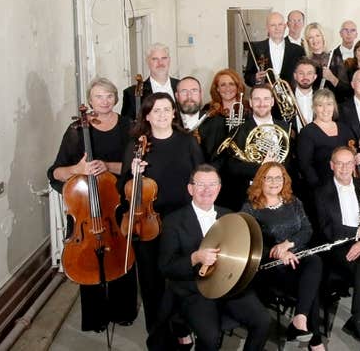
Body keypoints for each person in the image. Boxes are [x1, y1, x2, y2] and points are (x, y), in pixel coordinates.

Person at [48, 78, 138, 332]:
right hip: (85, 208)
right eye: (98, 97)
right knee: (89, 258)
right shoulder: (77, 130)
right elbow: (55, 172)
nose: (105, 101)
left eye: (109, 95)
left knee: (122, 255)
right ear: (90, 101)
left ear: (116, 98)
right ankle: (95, 317)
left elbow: (133, 167)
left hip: (116, 201)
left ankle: (124, 311)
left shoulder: (127, 126)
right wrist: (77, 169)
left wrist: (107, 166)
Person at [158, 165, 271, 351]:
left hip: (230, 286)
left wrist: (276, 251)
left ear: (219, 188)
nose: (207, 190)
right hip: (195, 290)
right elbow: (166, 266)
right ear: (190, 189)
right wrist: (194, 258)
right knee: (211, 338)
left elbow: (247, 248)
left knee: (263, 321)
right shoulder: (173, 221)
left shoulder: (229, 215)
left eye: (212, 185)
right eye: (201, 184)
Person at [122, 92, 205, 345]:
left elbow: (201, 177)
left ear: (174, 112)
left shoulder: (188, 141)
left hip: (181, 220)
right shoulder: (137, 146)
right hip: (147, 220)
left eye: (166, 109)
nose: (162, 115)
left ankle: (181, 327)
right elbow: (121, 187)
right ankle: (156, 331)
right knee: (150, 279)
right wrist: (133, 173)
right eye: (156, 111)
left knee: (182, 276)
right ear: (147, 115)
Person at [242, 163, 324, 349]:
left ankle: (300, 319)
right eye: (268, 178)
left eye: (278, 177)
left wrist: (288, 244)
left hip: (297, 259)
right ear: (260, 180)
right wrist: (277, 251)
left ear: (284, 180)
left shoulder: (293, 202)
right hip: (270, 268)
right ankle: (313, 340)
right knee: (311, 287)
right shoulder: (250, 208)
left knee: (314, 261)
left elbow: (307, 229)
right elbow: (247, 242)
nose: (274, 182)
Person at [315, 146, 360, 347]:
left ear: (355, 164)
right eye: (340, 163)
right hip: (337, 248)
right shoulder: (321, 191)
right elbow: (326, 229)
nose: (344, 168)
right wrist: (356, 232)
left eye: (349, 163)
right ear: (331, 165)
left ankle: (358, 318)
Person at [214, 84, 291, 211]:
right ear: (250, 102)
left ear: (272, 101)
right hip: (249, 195)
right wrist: (261, 168)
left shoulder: (285, 127)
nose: (262, 103)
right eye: (257, 99)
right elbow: (232, 166)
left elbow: (289, 161)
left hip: (279, 193)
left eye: (266, 99)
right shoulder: (239, 129)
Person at [295, 88, 351, 201]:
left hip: (345, 187)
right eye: (320, 105)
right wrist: (320, 189)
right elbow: (305, 166)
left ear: (334, 106)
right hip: (320, 190)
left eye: (329, 104)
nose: (325, 109)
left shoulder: (344, 128)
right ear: (314, 108)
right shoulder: (307, 132)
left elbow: (352, 153)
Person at [242, 11, 305, 89]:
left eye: (280, 24)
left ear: (285, 26)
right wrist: (256, 78)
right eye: (273, 25)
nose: (277, 28)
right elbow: (247, 77)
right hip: (265, 98)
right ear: (267, 28)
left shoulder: (298, 50)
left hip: (290, 97)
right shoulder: (256, 48)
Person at [197, 69, 248, 163]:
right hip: (215, 164)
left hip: (243, 164)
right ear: (217, 89)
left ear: (238, 87)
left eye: (231, 84)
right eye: (223, 85)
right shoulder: (208, 110)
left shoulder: (248, 109)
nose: (227, 88)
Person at [122, 43, 179, 120]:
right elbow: (127, 125)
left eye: (164, 58)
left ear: (169, 60)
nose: (160, 63)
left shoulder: (181, 86)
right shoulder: (132, 93)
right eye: (155, 59)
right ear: (147, 62)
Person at [302, 22, 339, 92]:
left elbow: (346, 90)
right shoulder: (304, 62)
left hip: (332, 101)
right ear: (307, 41)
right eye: (310, 37)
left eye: (317, 36)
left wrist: (331, 78)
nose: (315, 40)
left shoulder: (335, 59)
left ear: (323, 37)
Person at [291, 57, 319, 132]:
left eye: (309, 73)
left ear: (315, 77)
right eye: (301, 73)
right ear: (295, 76)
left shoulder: (321, 97)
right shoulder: (285, 96)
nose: (305, 77)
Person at [328, 20, 359, 85]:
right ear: (340, 34)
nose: (349, 33)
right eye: (345, 30)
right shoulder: (331, 56)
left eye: (352, 30)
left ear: (356, 35)